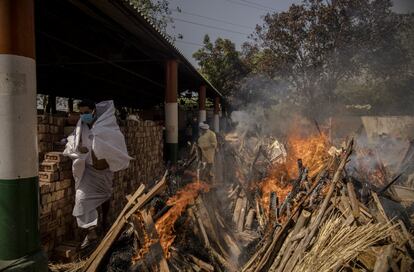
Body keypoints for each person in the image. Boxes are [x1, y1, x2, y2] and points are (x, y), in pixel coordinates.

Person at [64, 100, 132, 248]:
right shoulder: (81, 127)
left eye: (86, 113)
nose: (84, 116)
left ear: (94, 111)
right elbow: (73, 140)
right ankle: (91, 231)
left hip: (104, 171)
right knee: (81, 198)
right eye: (81, 113)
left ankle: (105, 221)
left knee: (105, 195)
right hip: (88, 171)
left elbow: (115, 143)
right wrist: (78, 150)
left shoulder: (105, 127)